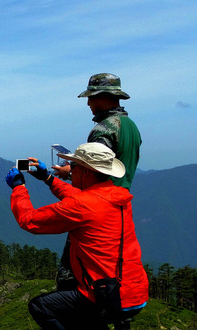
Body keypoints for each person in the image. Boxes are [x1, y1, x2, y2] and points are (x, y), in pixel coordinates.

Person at [5, 143, 148, 330]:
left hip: (108, 296)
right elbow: (82, 197)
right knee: (81, 305)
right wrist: (48, 179)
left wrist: (18, 187)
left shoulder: (83, 206)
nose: (70, 169)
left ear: (87, 172)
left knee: (43, 307)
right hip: (134, 291)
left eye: (74, 166)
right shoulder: (117, 196)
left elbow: (29, 220)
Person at [53, 73, 142, 294]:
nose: (88, 103)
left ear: (103, 96)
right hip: (120, 206)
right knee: (113, 267)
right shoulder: (130, 126)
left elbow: (97, 168)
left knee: (74, 270)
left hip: (96, 206)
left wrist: (69, 172)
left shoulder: (104, 129)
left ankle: (76, 322)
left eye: (91, 97)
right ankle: (121, 319)